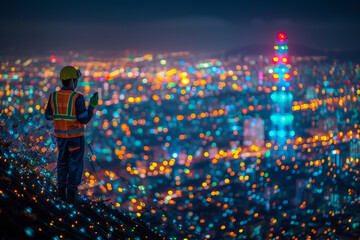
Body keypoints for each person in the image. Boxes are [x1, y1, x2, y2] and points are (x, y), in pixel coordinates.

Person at [44, 66, 99, 203]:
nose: (77, 82)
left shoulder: (53, 96)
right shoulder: (77, 97)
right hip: (75, 138)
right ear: (71, 81)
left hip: (61, 138)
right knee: (75, 164)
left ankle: (61, 193)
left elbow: (48, 116)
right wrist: (91, 106)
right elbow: (84, 119)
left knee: (62, 162)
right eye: (76, 80)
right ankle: (72, 196)